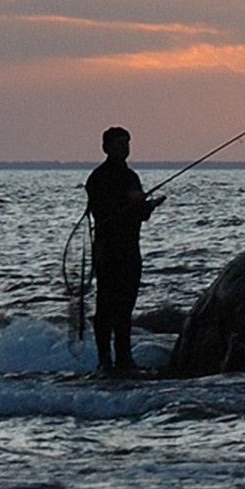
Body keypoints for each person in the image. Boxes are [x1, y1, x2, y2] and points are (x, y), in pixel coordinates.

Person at [84, 126, 164, 372]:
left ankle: (123, 359)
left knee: (126, 306)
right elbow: (103, 209)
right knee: (106, 306)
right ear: (106, 147)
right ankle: (105, 360)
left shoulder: (131, 176)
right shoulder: (98, 178)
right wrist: (136, 205)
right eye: (118, 144)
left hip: (129, 248)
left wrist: (147, 207)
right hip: (109, 249)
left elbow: (139, 214)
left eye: (126, 143)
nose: (123, 148)